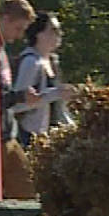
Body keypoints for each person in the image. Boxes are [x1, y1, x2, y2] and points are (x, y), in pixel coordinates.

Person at [0, 0, 41, 197]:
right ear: (5, 19)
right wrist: (21, 97)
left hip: (7, 134)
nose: (20, 35)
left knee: (27, 190)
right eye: (18, 28)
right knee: (22, 193)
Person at [10, 11, 77, 149]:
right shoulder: (30, 62)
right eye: (53, 30)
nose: (59, 34)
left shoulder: (52, 61)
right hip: (30, 137)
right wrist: (56, 93)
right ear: (38, 34)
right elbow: (16, 105)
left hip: (49, 138)